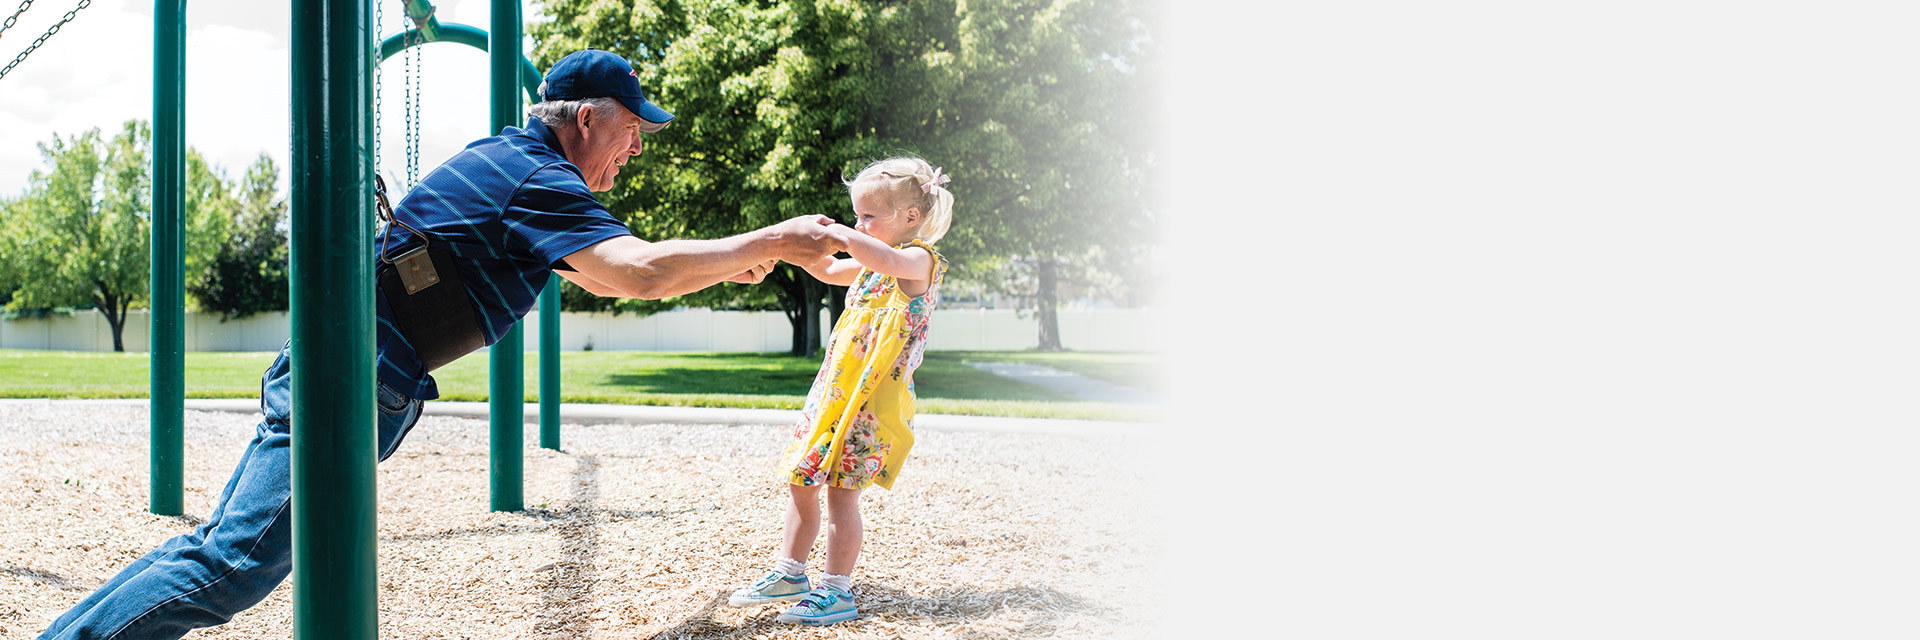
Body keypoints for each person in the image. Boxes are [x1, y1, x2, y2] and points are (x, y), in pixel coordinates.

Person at [37, 48, 845, 640]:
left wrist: (729, 261)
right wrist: (766, 236)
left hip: (353, 365)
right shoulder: (537, 180)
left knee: (223, 553)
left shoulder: (513, 162)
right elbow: (629, 274)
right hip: (351, 374)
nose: (636, 150)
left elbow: (605, 263)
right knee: (233, 564)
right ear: (589, 119)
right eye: (632, 130)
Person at [725, 156, 954, 626]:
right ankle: (790, 571)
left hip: (870, 402)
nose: (858, 224)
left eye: (869, 216)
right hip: (834, 392)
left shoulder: (918, 261)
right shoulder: (871, 267)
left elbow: (881, 258)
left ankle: (837, 590)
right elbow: (830, 270)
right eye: (856, 215)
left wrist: (840, 235)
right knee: (801, 475)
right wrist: (787, 247)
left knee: (840, 494)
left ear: (911, 218)